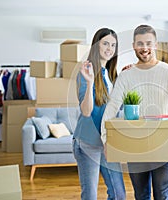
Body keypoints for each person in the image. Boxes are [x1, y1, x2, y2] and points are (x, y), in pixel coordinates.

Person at [101, 24, 168, 200]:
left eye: (149, 43)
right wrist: (106, 139)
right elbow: (111, 108)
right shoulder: (126, 76)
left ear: (156, 45)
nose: (144, 48)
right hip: (135, 145)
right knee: (141, 195)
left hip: (163, 144)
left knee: (163, 195)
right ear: (133, 45)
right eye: (140, 43)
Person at [72, 28, 126, 200]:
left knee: (118, 194)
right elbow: (86, 111)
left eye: (113, 45)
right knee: (90, 196)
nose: (109, 48)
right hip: (87, 143)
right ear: (96, 45)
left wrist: (128, 76)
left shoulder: (112, 75)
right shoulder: (86, 71)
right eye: (105, 43)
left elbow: (117, 108)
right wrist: (89, 83)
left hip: (107, 142)